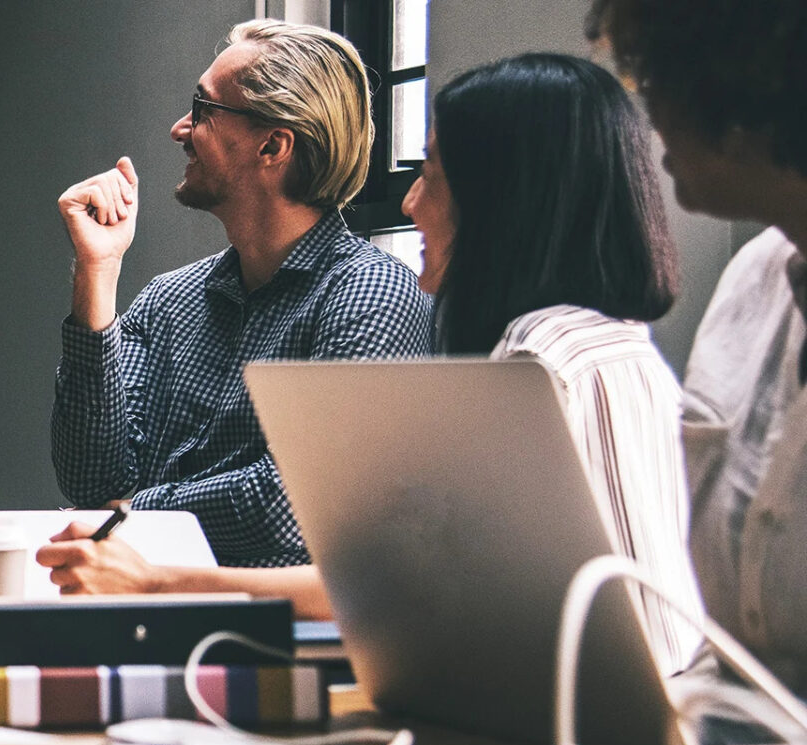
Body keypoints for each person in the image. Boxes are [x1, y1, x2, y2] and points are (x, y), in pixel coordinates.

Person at [40, 53, 706, 676]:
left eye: (430, 175)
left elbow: (384, 571)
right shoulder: (590, 349)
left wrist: (144, 547)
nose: (410, 204)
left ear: (502, 202)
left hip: (600, 736)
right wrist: (96, 278)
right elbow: (91, 480)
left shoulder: (539, 364)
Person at [50, 19, 432, 568]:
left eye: (203, 108)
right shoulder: (168, 300)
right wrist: (97, 272)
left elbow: (291, 508)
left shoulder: (370, 292)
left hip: (268, 641)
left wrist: (132, 513)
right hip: (140, 618)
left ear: (273, 146)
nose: (180, 128)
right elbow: (90, 480)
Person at [586, 0, 807, 690]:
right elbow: (739, 648)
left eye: (655, 81)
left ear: (740, 90)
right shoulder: (752, 282)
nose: (647, 113)